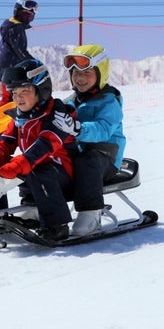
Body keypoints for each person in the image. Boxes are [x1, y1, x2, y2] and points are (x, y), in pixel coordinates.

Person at [0, 58, 77, 242]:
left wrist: (17, 165)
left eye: (25, 91)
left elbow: (43, 146)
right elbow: (5, 143)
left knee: (39, 171)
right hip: (32, 169)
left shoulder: (58, 115)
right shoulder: (20, 118)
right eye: (15, 92)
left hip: (63, 173)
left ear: (41, 90)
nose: (18, 97)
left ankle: (57, 225)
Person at [51, 44, 126, 236]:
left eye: (88, 73)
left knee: (86, 161)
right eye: (75, 73)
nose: (80, 78)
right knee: (48, 161)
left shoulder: (109, 101)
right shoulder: (71, 100)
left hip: (106, 158)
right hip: (78, 154)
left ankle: (90, 213)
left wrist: (77, 128)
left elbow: (103, 129)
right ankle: (36, 208)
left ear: (101, 74)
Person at [0, 0, 38, 107]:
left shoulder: (14, 27)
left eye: (30, 15)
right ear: (17, 12)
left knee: (9, 98)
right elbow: (20, 50)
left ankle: (4, 119)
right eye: (25, 14)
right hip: (11, 70)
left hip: (9, 69)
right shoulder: (14, 28)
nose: (28, 17)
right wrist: (33, 63)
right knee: (10, 98)